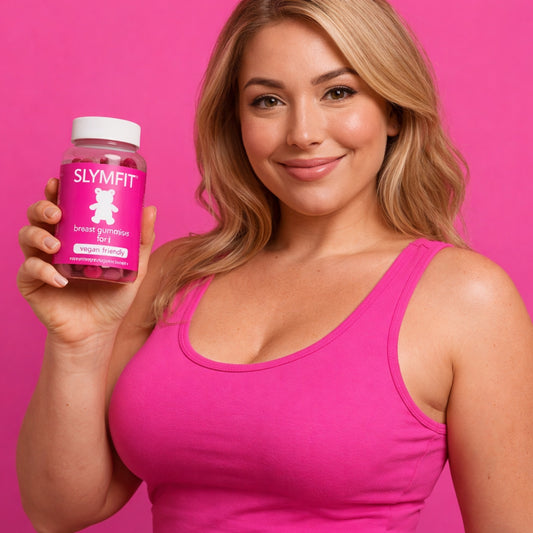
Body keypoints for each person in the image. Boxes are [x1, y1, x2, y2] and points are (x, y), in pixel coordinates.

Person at [16, 0, 533, 531]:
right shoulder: (172, 274)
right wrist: (76, 344)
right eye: (268, 101)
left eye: (338, 92)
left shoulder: (467, 299)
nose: (302, 133)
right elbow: (59, 510)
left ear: (394, 108)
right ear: (237, 121)